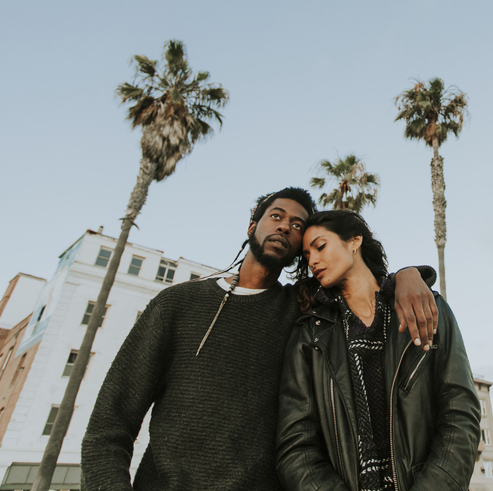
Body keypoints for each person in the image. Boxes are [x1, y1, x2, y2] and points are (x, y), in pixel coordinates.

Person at [81, 188, 438, 491]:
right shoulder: (177, 304)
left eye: (297, 225)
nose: (285, 225)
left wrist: (409, 275)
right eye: (276, 216)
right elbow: (108, 427)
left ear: (301, 248)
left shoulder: (305, 315)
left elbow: (359, 286)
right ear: (253, 225)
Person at [276, 209, 481, 491]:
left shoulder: (427, 307)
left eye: (320, 246)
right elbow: (296, 445)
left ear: (354, 241)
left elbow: (460, 410)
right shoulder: (309, 335)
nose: (312, 260)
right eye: (307, 255)